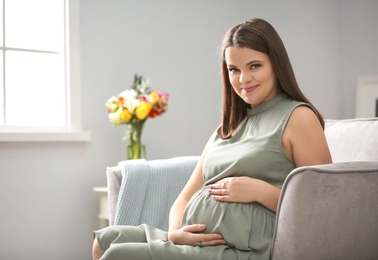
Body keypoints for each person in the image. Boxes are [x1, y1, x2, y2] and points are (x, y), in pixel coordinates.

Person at [92, 18, 332, 260]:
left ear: (276, 64)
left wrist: (260, 191)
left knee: (118, 255)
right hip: (195, 240)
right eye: (233, 69)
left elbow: (322, 204)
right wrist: (175, 233)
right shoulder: (228, 127)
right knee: (103, 242)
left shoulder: (298, 117)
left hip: (246, 248)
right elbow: (185, 196)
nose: (243, 79)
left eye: (255, 66)